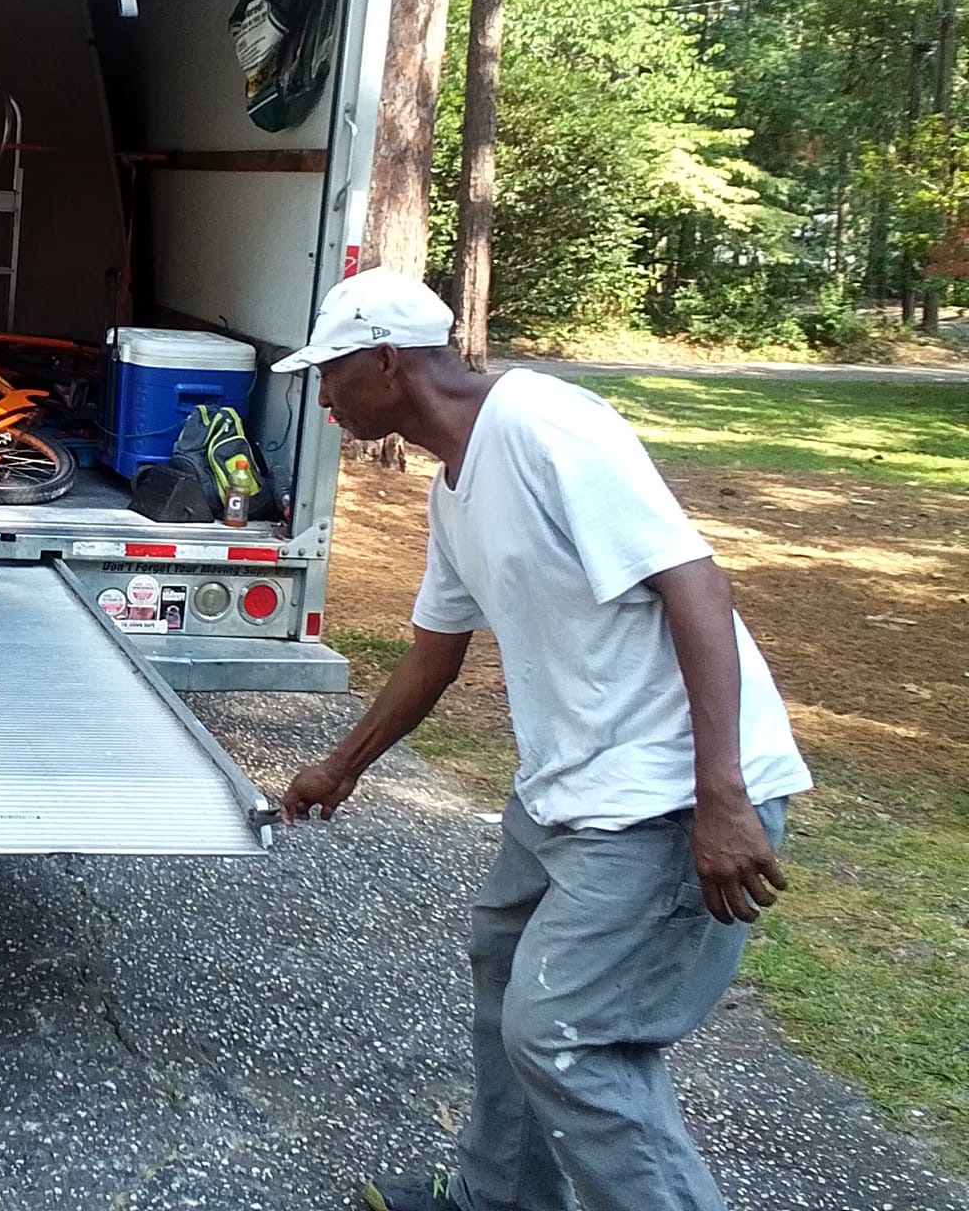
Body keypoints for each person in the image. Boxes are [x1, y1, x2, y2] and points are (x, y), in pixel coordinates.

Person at [276, 268, 812, 1211]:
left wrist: (722, 795)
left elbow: (695, 583)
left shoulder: (544, 425)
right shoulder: (453, 487)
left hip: (665, 793)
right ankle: (504, 1197)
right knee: (504, 964)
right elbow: (435, 656)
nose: (324, 397)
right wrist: (339, 767)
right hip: (567, 786)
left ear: (389, 363)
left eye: (331, 373)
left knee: (568, 1036)